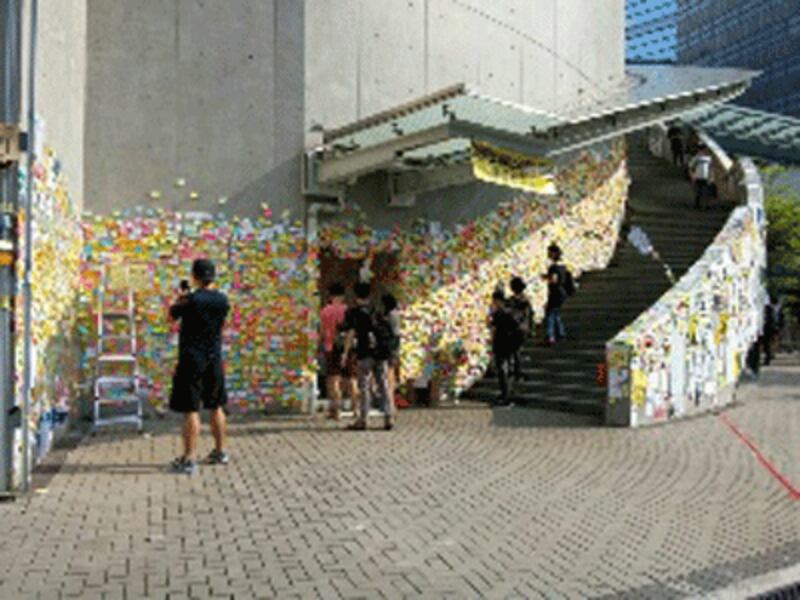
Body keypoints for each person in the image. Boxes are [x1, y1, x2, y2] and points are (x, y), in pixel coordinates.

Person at [168, 259, 230, 474]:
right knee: (216, 406)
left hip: (191, 359)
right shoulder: (223, 300)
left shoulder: (190, 300)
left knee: (191, 409)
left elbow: (171, 317)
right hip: (214, 358)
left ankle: (188, 458)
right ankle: (220, 451)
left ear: (195, 276)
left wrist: (181, 297)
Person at [341, 282, 394, 431]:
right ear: (370, 295)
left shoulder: (353, 313)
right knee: (383, 384)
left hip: (364, 352)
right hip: (381, 353)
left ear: (355, 296)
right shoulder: (377, 310)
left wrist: (345, 353)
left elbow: (350, 334)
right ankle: (389, 417)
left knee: (363, 385)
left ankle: (363, 419)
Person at [320, 283, 348, 420]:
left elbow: (322, 331)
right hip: (347, 348)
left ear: (330, 296)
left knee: (332, 380)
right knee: (350, 379)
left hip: (330, 347)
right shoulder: (347, 310)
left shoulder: (325, 311)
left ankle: (335, 410)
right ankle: (355, 409)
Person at [489, 291, 520, 406]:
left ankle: (505, 396)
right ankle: (508, 394)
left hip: (500, 344)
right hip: (509, 344)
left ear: (497, 301)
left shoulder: (498, 313)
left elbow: (493, 329)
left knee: (502, 370)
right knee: (507, 369)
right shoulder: (510, 311)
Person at [542, 243, 572, 346]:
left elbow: (554, 280)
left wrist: (546, 278)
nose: (548, 254)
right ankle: (560, 333)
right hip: (562, 293)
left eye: (549, 252)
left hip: (555, 293)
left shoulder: (553, 267)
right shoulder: (563, 266)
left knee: (550, 314)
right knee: (555, 313)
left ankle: (550, 336)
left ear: (554, 253)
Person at [507, 276, 534, 381]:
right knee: (517, 350)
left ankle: (514, 371)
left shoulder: (511, 301)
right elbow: (531, 315)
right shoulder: (526, 300)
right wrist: (531, 329)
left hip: (514, 329)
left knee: (513, 351)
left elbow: (507, 315)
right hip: (524, 329)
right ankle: (517, 370)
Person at [381, 292, 401, 407]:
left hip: (391, 343)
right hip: (395, 343)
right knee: (391, 368)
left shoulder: (391, 315)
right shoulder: (396, 313)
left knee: (389, 369)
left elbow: (392, 331)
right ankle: (390, 393)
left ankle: (389, 394)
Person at [689, 145, 713, 210]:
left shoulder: (709, 158)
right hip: (698, 177)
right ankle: (697, 205)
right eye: (703, 150)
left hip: (705, 177)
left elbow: (710, 168)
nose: (704, 151)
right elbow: (691, 167)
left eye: (705, 150)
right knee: (698, 192)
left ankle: (704, 205)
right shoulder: (696, 158)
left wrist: (711, 177)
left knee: (705, 192)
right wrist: (692, 175)